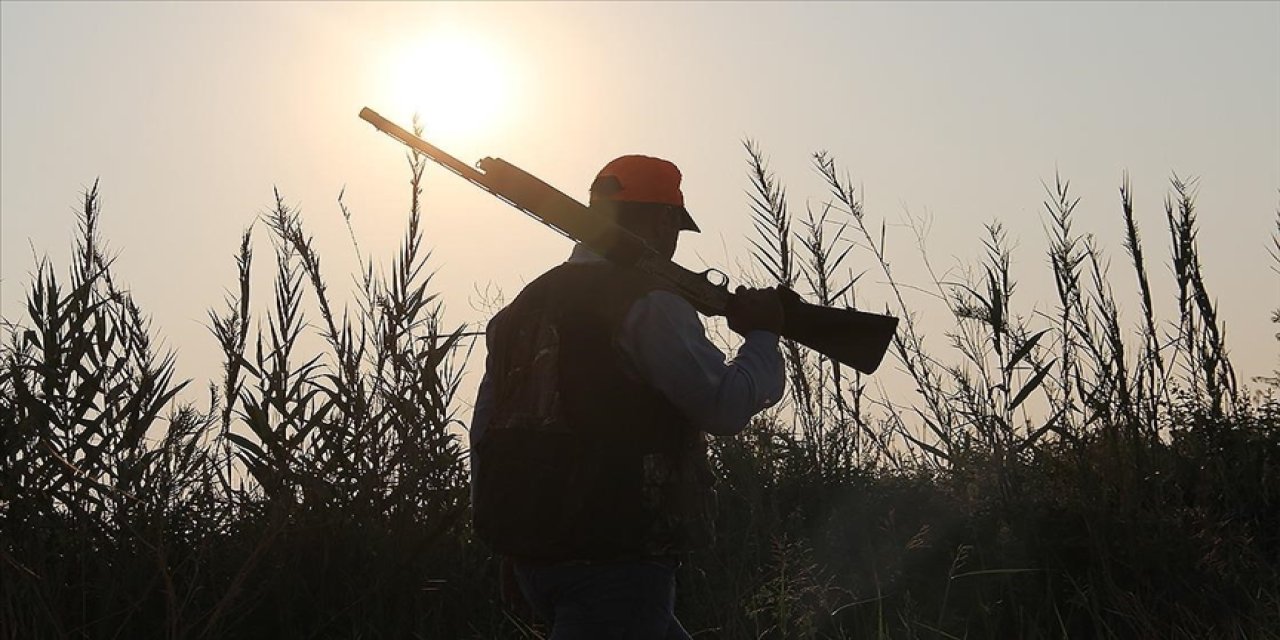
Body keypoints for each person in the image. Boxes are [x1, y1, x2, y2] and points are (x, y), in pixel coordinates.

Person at [469, 154, 786, 639]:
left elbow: (488, 432)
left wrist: (512, 544)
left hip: (540, 557)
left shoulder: (522, 307)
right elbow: (723, 407)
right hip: (616, 555)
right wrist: (763, 337)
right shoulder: (648, 302)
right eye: (674, 225)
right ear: (663, 220)